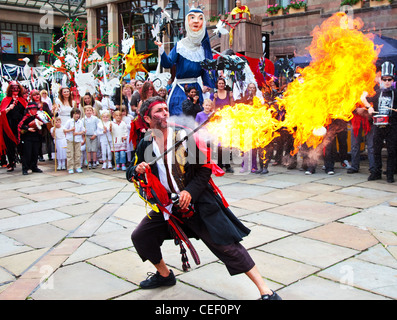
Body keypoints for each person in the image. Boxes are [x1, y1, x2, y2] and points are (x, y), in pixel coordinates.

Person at [126, 96, 281, 300]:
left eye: (166, 109)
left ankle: (266, 291)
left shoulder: (183, 136)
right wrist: (137, 169)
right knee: (140, 236)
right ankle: (164, 275)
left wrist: (189, 191)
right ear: (147, 119)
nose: (165, 112)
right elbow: (130, 172)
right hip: (169, 208)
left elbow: (204, 171)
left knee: (227, 245)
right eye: (159, 111)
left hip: (198, 203)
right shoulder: (146, 143)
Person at [154, 6, 215, 116]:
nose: (196, 21)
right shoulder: (180, 46)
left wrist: (207, 84)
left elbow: (205, 70)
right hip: (181, 91)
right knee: (180, 120)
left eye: (200, 18)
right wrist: (161, 49)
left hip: (197, 91)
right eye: (192, 18)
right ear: (188, 22)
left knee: (197, 122)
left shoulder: (203, 49)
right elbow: (167, 64)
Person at [363, 61, 397, 183]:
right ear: (381, 79)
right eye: (385, 79)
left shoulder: (395, 93)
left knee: (392, 151)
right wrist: (369, 107)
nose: (387, 82)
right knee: (375, 150)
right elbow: (363, 97)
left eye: (389, 79)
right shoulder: (377, 93)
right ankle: (376, 172)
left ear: (393, 79)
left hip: (392, 127)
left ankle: (389, 174)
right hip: (378, 126)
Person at [0, 81, 27, 172]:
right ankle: (11, 162)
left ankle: (24, 162)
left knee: (22, 144)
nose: (15, 89)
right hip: (9, 125)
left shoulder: (22, 99)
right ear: (10, 89)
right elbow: (2, 113)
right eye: (13, 88)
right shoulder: (5, 100)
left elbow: (27, 111)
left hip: (20, 125)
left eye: (17, 88)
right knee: (9, 144)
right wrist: (9, 108)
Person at [211, 78, 234, 173]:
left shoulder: (228, 94)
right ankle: (219, 164)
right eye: (219, 83)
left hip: (227, 121)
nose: (221, 85)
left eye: (222, 83)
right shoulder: (214, 94)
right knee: (219, 144)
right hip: (218, 121)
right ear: (217, 84)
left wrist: (232, 97)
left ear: (224, 84)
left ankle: (227, 165)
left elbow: (232, 106)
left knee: (226, 144)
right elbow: (212, 108)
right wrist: (214, 98)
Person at [17, 102, 44, 175]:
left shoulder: (37, 117)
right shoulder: (25, 117)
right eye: (33, 109)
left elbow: (43, 124)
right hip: (27, 138)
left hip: (36, 137)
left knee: (35, 153)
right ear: (29, 110)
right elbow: (20, 126)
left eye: (35, 109)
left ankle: (34, 167)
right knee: (27, 154)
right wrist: (28, 128)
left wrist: (41, 123)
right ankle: (25, 168)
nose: (34, 111)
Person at [348, 102, 375, 174]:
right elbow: (347, 103)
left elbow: (375, 102)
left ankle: (373, 168)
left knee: (371, 146)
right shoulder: (352, 91)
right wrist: (356, 109)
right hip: (356, 120)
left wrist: (366, 109)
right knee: (354, 145)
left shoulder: (372, 91)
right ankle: (354, 166)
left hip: (369, 120)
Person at [30, 90, 54, 162]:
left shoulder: (44, 104)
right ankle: (40, 155)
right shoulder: (31, 105)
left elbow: (49, 112)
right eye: (34, 95)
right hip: (37, 124)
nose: (37, 96)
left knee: (48, 139)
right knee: (39, 140)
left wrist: (52, 117)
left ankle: (50, 154)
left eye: (38, 94)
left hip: (46, 123)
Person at [64, 108, 85, 174]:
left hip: (78, 140)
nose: (77, 116)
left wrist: (78, 133)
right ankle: (70, 167)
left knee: (78, 153)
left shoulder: (80, 122)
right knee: (70, 153)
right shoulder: (69, 121)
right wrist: (70, 130)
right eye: (75, 114)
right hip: (70, 139)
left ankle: (78, 166)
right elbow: (64, 130)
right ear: (72, 114)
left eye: (78, 114)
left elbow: (83, 131)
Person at [83, 105, 99, 169]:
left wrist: (95, 134)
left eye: (90, 110)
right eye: (87, 111)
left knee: (94, 149)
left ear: (92, 111)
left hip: (94, 135)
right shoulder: (83, 119)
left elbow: (98, 127)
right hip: (87, 135)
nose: (89, 112)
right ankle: (89, 161)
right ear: (85, 112)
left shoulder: (95, 119)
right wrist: (84, 133)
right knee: (88, 150)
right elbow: (82, 128)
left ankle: (94, 161)